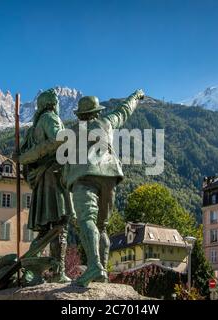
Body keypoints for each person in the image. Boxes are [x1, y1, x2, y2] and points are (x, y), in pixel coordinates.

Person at [62, 89, 145, 287]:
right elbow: (124, 110)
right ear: (97, 112)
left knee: (86, 220)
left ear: (80, 115)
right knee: (102, 227)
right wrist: (136, 96)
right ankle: (102, 273)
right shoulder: (106, 122)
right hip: (109, 176)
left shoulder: (71, 133)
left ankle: (94, 266)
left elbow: (55, 156)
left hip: (84, 178)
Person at [19, 88, 75, 283]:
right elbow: (59, 138)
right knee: (61, 225)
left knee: (45, 229)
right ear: (51, 103)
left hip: (44, 178)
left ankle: (32, 271)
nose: (59, 104)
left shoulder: (36, 125)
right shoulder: (50, 118)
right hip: (54, 177)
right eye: (57, 101)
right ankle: (58, 273)